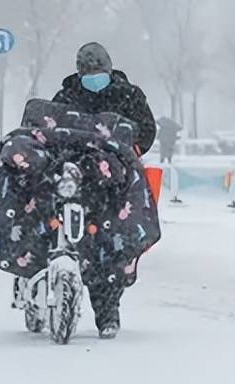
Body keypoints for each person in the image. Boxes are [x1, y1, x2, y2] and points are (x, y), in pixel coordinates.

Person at [50, 42, 157, 338]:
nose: (93, 76)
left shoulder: (129, 95)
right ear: (79, 71)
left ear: (109, 68)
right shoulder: (67, 95)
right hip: (74, 177)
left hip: (113, 183)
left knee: (109, 246)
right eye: (87, 71)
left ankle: (107, 311)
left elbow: (146, 129)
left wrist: (131, 148)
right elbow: (49, 126)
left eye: (98, 70)